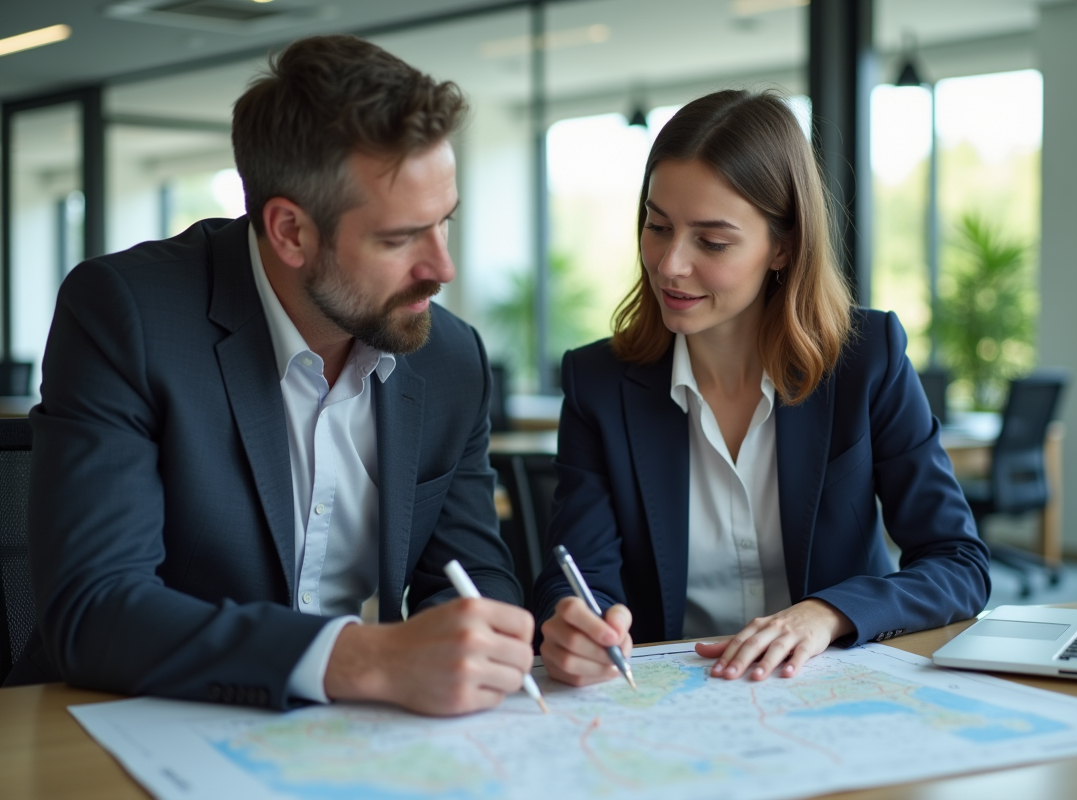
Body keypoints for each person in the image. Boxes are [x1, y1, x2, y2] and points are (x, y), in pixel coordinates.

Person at [6, 35, 536, 717]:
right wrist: (362, 657)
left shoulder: (449, 356)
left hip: (340, 735)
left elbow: (472, 576)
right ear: (290, 231)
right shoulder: (127, 316)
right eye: (401, 237)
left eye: (445, 222)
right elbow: (95, 608)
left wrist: (491, 640)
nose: (443, 268)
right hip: (122, 720)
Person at [533, 89, 990, 686]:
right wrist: (574, 622)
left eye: (712, 241)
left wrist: (827, 614)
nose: (670, 264)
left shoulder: (866, 360)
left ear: (783, 246)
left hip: (828, 689)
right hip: (666, 696)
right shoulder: (597, 383)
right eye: (658, 226)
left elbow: (958, 562)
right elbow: (578, 576)